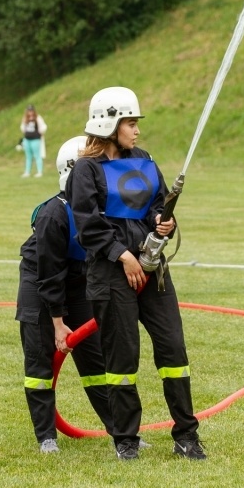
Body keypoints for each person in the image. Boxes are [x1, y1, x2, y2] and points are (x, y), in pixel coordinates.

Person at [66, 87, 206, 461]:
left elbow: (156, 206)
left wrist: (164, 223)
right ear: (109, 124)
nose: (136, 130)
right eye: (130, 122)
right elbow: (87, 224)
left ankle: (187, 437)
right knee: (122, 358)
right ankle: (125, 439)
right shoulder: (86, 170)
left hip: (153, 271)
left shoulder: (143, 160)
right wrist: (123, 256)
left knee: (173, 349)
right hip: (112, 276)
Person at [17, 136, 121, 454]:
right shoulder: (54, 215)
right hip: (40, 283)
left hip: (79, 282)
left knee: (96, 360)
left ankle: (120, 430)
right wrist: (58, 323)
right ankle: (46, 436)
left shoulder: (101, 209)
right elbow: (49, 276)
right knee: (40, 361)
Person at [20, 105, 48, 178]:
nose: (30, 112)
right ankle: (27, 172)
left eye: (31, 111)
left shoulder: (37, 118)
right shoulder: (25, 119)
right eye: (29, 111)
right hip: (27, 139)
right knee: (28, 156)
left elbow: (43, 127)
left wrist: (40, 132)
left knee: (37, 155)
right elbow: (22, 127)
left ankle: (39, 172)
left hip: (35, 139)